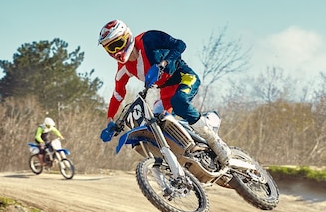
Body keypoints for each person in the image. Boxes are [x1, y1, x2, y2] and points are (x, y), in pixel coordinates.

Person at [97, 19, 231, 166]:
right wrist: (110, 119)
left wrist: (164, 63)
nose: (116, 51)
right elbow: (118, 94)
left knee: (179, 102)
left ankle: (215, 140)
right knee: (156, 124)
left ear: (127, 36)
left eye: (118, 44)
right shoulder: (123, 68)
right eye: (110, 48)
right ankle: (181, 161)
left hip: (184, 77)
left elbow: (180, 45)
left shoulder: (149, 39)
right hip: (165, 92)